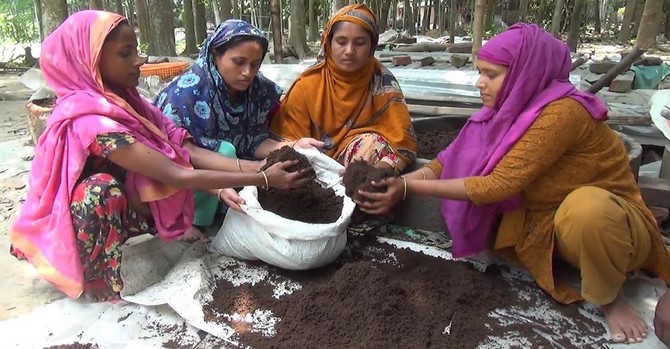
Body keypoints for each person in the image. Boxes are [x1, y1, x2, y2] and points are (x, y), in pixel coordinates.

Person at [355, 23, 670, 344]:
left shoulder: (563, 113)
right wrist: (395, 181)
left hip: (613, 232)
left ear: (526, 72)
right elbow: (441, 164)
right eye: (480, 72)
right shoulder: (501, 113)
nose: (480, 83)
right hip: (552, 228)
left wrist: (406, 189)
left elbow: (498, 185)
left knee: (586, 209)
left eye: (491, 74)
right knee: (529, 219)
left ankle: (610, 297)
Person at [10, 11, 312, 303]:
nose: (139, 60)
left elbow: (180, 146)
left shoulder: (131, 103)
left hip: (129, 201)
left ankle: (145, 230)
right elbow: (175, 173)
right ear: (90, 61)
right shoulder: (90, 120)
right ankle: (94, 275)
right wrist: (261, 177)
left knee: (130, 187)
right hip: (81, 216)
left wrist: (237, 179)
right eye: (125, 54)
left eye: (136, 51)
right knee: (99, 190)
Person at [155, 19, 322, 227]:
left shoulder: (256, 89)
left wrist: (294, 145)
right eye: (239, 62)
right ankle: (188, 220)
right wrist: (257, 170)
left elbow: (255, 142)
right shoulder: (185, 94)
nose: (247, 72)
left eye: (255, 64)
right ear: (216, 55)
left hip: (229, 171)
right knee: (225, 150)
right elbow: (186, 154)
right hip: (183, 177)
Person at [269, 4, 417, 173]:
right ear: (328, 42)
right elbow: (286, 142)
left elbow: (401, 141)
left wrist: (380, 173)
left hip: (362, 176)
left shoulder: (382, 83)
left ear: (372, 46)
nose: (349, 51)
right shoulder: (308, 85)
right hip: (312, 172)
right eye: (341, 41)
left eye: (360, 43)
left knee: (370, 146)